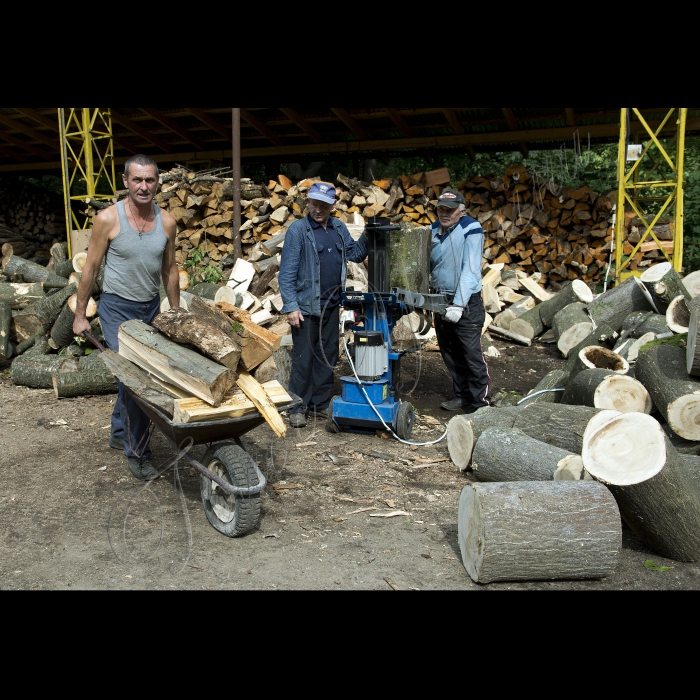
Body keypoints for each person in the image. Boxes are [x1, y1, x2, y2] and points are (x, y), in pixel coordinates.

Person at [73, 154, 180, 481]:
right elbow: (90, 268)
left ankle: (120, 432)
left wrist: (174, 313)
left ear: (157, 182)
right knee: (137, 380)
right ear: (125, 182)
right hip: (117, 307)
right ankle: (138, 453)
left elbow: (170, 269)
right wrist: (80, 314)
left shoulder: (167, 223)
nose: (144, 186)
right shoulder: (108, 219)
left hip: (149, 306)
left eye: (149, 180)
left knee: (129, 378)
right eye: (137, 180)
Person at [279, 182, 369, 428]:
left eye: (323, 205)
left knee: (327, 356)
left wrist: (371, 233)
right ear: (307, 202)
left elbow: (355, 254)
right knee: (303, 358)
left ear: (333, 205)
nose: (318, 209)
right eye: (314, 204)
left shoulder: (339, 227)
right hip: (306, 307)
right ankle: (297, 406)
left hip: (331, 305)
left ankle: (319, 403)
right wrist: (291, 306)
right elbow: (286, 273)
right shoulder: (298, 230)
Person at [430, 188, 492, 413]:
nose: (444, 213)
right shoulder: (433, 230)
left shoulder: (471, 229)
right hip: (439, 298)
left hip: (465, 301)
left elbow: (471, 269)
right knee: (450, 351)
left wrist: (458, 303)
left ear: (461, 210)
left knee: (471, 353)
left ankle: (480, 404)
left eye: (450, 209)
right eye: (441, 209)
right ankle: (463, 396)